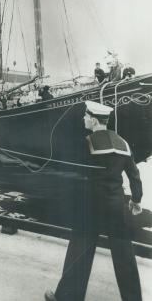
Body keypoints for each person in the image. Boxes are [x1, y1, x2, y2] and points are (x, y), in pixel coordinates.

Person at [45, 100, 143, 301]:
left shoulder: (88, 142)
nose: (83, 119)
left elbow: (76, 171)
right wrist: (136, 199)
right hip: (116, 205)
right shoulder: (123, 144)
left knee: (79, 251)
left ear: (93, 120)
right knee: (125, 255)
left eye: (86, 116)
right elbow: (134, 175)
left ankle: (67, 297)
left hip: (90, 205)